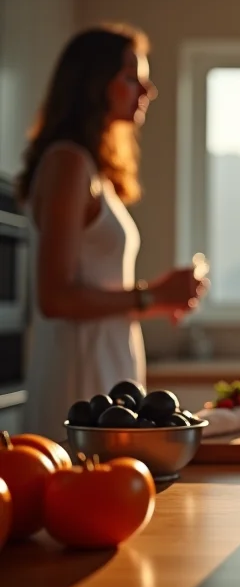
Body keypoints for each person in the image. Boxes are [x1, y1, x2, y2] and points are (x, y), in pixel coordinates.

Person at [16, 24, 209, 440]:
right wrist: (152, 295)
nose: (147, 89)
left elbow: (93, 292)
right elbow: (55, 297)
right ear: (93, 83)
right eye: (130, 77)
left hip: (101, 371)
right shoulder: (68, 163)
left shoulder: (90, 170)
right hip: (78, 379)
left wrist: (158, 297)